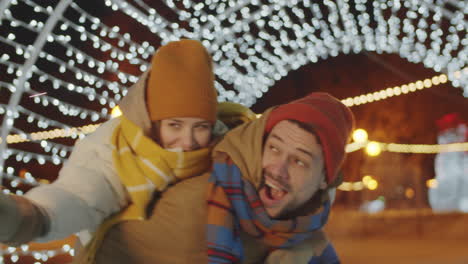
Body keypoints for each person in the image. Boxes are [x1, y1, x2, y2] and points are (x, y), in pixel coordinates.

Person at [0, 39, 253, 263]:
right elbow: (80, 197)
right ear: (152, 122)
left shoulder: (228, 146)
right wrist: (24, 217)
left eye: (200, 127)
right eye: (174, 125)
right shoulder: (117, 151)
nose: (188, 141)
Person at [87, 92, 353, 263]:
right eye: (274, 148)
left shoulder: (305, 223)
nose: (278, 169)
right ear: (259, 144)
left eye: (299, 161)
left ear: (324, 180)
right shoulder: (199, 206)